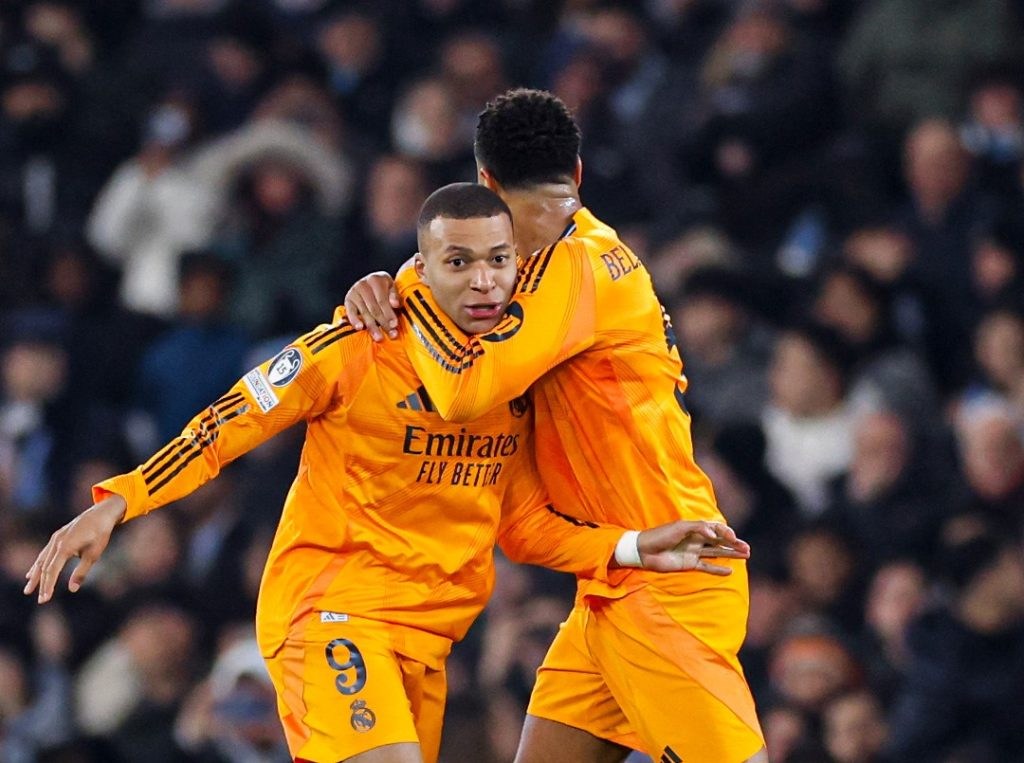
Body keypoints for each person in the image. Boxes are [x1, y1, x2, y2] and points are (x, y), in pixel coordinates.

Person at [24, 183, 749, 763]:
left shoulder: (515, 382)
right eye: (457, 262)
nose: (483, 281)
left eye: (498, 260)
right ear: (420, 269)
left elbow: (524, 525)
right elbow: (224, 425)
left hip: (427, 637)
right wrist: (119, 501)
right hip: (330, 613)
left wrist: (629, 546)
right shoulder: (356, 344)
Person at [345, 89, 767, 762]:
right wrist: (384, 285)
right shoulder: (565, 257)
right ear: (576, 172)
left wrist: (414, 285)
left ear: (485, 183)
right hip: (613, 574)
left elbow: (462, 391)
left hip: (666, 581)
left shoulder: (575, 271)